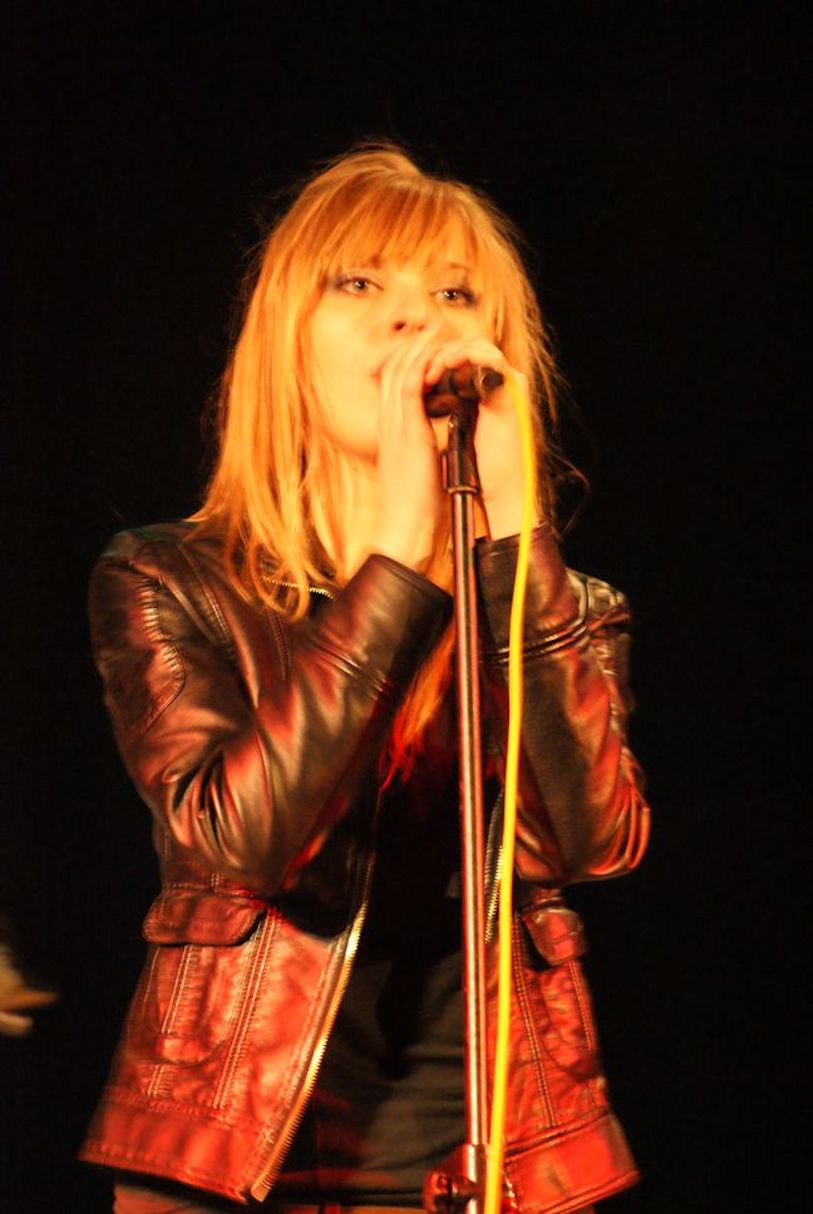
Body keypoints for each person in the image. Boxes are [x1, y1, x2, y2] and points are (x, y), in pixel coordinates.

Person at [81, 145, 650, 1214]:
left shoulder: (561, 605)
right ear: (287, 336)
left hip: (500, 1151)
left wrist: (513, 544)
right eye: (359, 282)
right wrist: (395, 560)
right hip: (227, 1154)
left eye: (453, 294)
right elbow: (238, 844)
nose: (412, 319)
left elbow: (591, 842)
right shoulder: (169, 579)